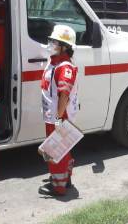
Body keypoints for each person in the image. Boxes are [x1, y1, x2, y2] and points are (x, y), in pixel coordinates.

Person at [39, 24, 79, 197]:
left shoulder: (65, 67)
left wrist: (57, 121)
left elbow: (64, 97)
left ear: (64, 47)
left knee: (56, 152)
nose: (51, 44)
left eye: (55, 42)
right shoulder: (55, 62)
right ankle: (65, 178)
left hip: (59, 116)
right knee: (62, 149)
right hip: (55, 116)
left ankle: (59, 186)